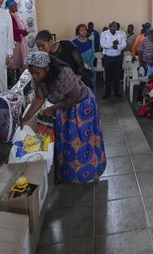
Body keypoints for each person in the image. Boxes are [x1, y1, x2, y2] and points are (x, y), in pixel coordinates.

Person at [20, 51, 106, 183]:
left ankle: (91, 172)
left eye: (37, 73)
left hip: (82, 107)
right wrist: (25, 118)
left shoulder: (63, 73)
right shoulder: (37, 77)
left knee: (84, 140)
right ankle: (70, 175)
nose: (35, 76)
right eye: (32, 73)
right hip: (63, 107)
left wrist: (52, 108)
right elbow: (39, 97)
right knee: (67, 141)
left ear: (47, 68)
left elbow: (74, 98)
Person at [5, 0, 29, 86]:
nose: (16, 7)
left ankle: (19, 83)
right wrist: (23, 32)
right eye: (14, 5)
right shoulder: (9, 16)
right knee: (15, 61)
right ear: (10, 7)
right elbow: (13, 29)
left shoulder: (15, 15)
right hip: (15, 42)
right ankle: (14, 83)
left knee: (20, 60)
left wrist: (24, 31)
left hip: (20, 40)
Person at [99, 21, 126, 99]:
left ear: (116, 27)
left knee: (117, 75)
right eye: (112, 26)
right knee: (108, 76)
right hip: (108, 57)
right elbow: (102, 45)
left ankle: (117, 92)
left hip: (118, 57)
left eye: (115, 26)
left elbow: (124, 44)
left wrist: (117, 47)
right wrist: (112, 44)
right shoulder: (104, 34)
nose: (113, 28)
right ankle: (107, 93)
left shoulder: (120, 33)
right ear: (109, 27)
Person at [72, 24, 95, 90]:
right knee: (80, 88)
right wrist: (81, 66)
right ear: (78, 32)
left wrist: (87, 65)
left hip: (89, 67)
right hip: (79, 69)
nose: (84, 32)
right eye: (81, 30)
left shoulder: (90, 42)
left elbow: (92, 55)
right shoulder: (73, 42)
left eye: (85, 30)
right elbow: (73, 56)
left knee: (91, 86)